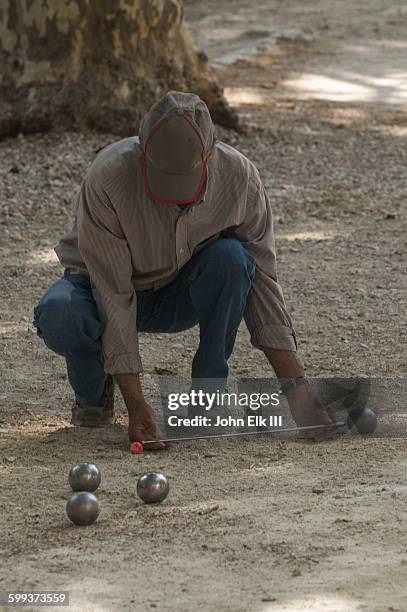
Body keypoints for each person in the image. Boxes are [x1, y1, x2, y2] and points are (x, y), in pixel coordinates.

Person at [33, 91, 335, 450]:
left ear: (208, 156)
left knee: (235, 260)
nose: (176, 197)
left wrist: (296, 389)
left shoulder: (240, 179)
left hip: (179, 290)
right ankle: (96, 391)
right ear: (142, 150)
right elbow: (112, 293)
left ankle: (206, 398)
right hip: (97, 292)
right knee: (60, 312)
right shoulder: (107, 177)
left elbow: (263, 284)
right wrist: (137, 402)